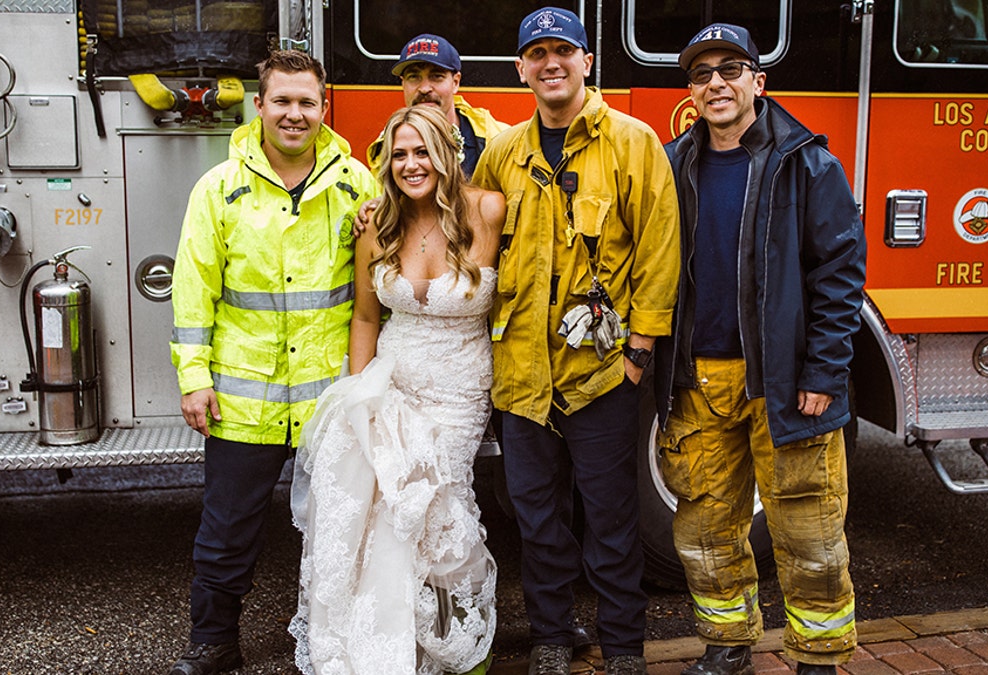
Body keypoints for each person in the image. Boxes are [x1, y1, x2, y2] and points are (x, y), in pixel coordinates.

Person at [469, 8, 680, 675]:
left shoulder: (633, 142)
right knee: (537, 519)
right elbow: (469, 242)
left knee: (612, 520)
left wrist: (639, 352)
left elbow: (659, 249)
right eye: (538, 53)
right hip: (522, 373)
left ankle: (621, 645)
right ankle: (553, 635)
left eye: (565, 50)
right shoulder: (504, 152)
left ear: (589, 62)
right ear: (521, 70)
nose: (551, 62)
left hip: (602, 371)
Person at [655, 23, 867, 675]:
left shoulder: (807, 161)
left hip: (785, 380)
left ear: (758, 81)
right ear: (690, 90)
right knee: (706, 527)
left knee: (809, 528)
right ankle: (727, 646)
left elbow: (840, 270)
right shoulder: (672, 162)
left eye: (731, 68)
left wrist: (824, 371)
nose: (715, 82)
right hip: (697, 379)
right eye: (701, 73)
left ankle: (819, 655)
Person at [167, 49, 378, 675]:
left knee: (340, 533)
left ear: (323, 107)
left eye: (306, 102)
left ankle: (338, 642)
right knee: (226, 530)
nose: (294, 114)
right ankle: (213, 641)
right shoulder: (217, 189)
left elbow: (377, 289)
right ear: (259, 106)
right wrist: (194, 379)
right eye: (281, 101)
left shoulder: (357, 185)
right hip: (244, 398)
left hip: (327, 398)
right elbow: (192, 291)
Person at [289, 105, 505, 675]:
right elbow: (365, 318)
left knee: (441, 505)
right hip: (392, 383)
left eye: (422, 151)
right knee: (384, 512)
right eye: (400, 154)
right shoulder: (378, 226)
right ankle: (397, 646)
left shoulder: (487, 209)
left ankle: (458, 646)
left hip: (460, 390)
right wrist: (360, 399)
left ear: (448, 153)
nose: (411, 164)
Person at [367, 33, 507, 178]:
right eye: (414, 77)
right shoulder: (387, 148)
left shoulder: (498, 140)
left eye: (436, 76)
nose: (424, 88)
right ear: (403, 84)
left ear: (455, 82)